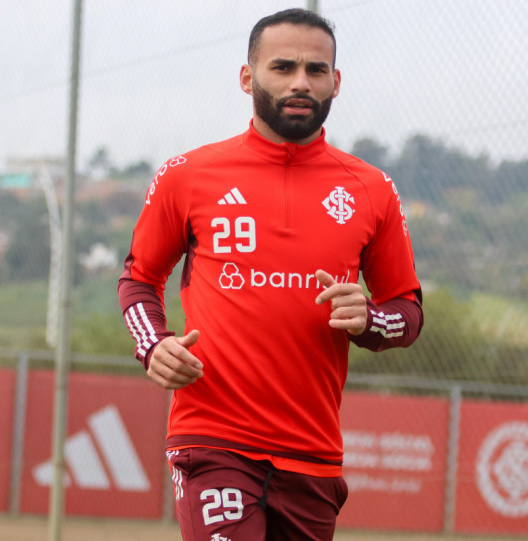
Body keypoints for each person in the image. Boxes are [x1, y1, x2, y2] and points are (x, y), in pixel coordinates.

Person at [118, 8, 423, 540]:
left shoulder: (372, 189)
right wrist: (154, 345)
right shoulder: (188, 176)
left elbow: (408, 312)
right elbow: (139, 277)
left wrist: (369, 319)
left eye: (316, 70)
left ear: (336, 82)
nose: (301, 82)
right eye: (282, 67)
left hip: (313, 455)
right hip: (213, 439)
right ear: (247, 77)